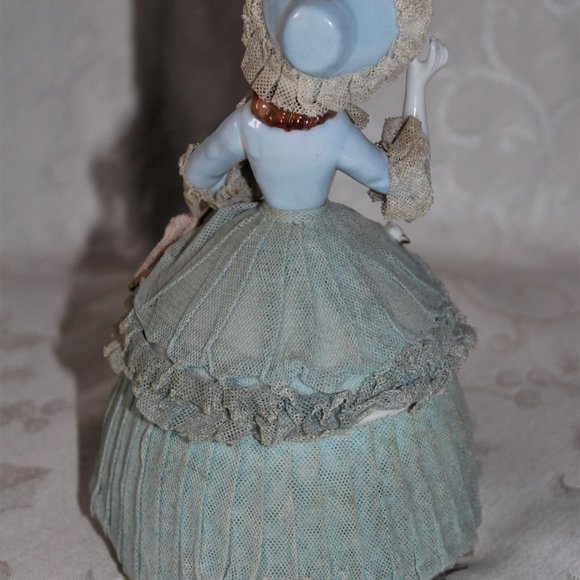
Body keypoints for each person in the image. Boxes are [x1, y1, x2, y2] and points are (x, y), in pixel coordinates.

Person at [91, 1, 480, 578]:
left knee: (218, 364)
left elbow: (198, 174)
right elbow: (397, 184)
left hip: (249, 247)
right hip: (327, 248)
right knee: (350, 366)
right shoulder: (332, 131)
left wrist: (222, 201)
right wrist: (417, 90)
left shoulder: (248, 122)